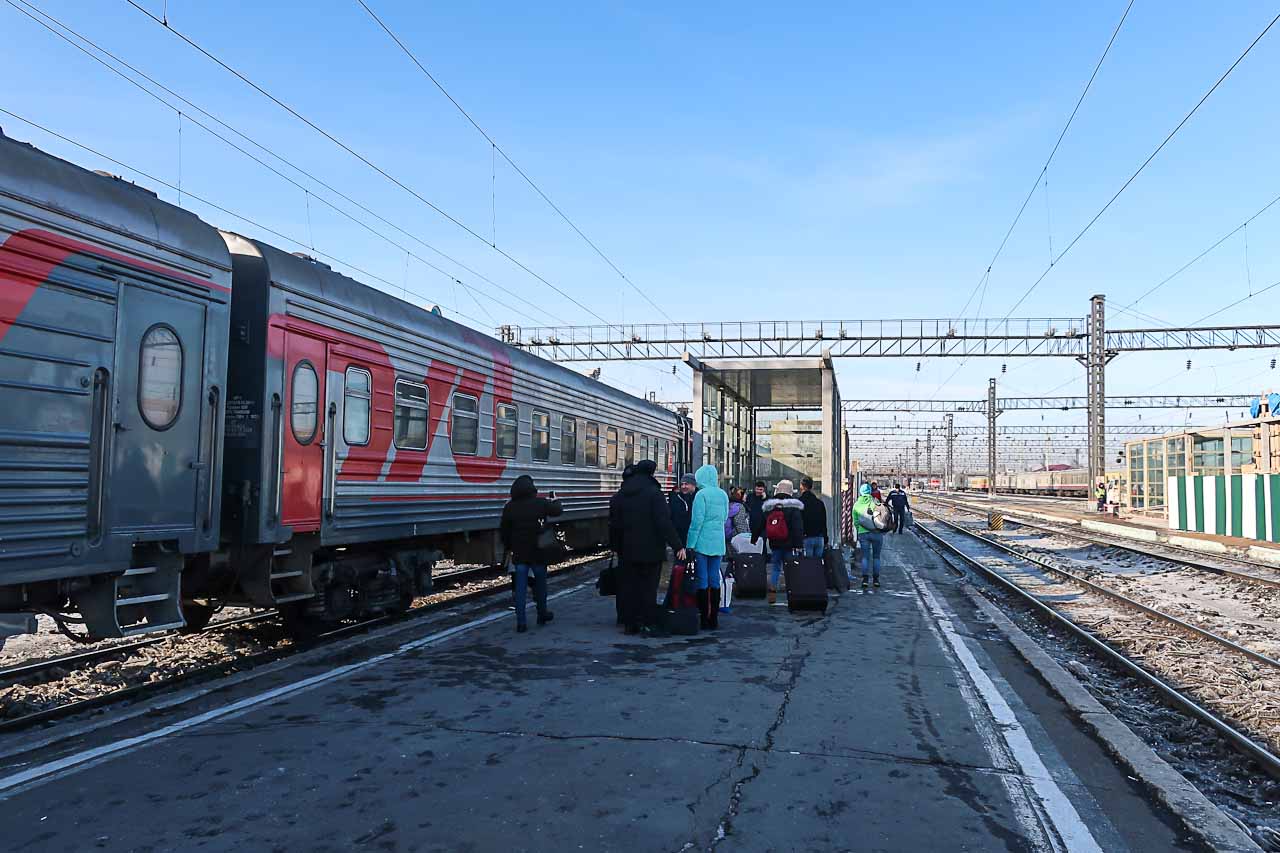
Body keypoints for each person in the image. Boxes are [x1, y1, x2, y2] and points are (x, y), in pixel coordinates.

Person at [610, 460, 686, 635]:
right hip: (651, 550)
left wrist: (615, 546)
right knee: (648, 587)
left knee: (629, 586)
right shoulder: (654, 494)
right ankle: (646, 622)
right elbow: (663, 522)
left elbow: (614, 523)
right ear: (651, 473)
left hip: (627, 549)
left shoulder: (621, 494)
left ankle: (630, 623)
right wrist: (677, 545)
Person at [500, 475, 562, 632]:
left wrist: (509, 547)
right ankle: (542, 614)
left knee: (520, 590)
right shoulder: (541, 503)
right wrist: (556, 500)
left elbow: (504, 532)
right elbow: (557, 511)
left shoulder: (510, 507)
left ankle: (521, 623)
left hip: (520, 556)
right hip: (538, 554)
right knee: (541, 586)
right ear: (532, 489)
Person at [686, 464, 729, 629]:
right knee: (715, 579)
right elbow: (724, 518)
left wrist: (690, 544)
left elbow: (696, 522)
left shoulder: (701, 495)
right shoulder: (723, 494)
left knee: (702, 579)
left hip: (702, 542)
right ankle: (714, 619)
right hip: (718, 541)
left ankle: (704, 618)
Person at [762, 480, 805, 604]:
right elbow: (797, 527)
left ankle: (772, 593)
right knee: (790, 569)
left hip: (775, 543)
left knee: (775, 568)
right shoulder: (793, 506)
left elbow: (764, 522)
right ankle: (791, 594)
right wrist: (799, 544)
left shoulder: (770, 505)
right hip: (789, 544)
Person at [852, 483, 884, 588]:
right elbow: (882, 517)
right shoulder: (876, 502)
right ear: (870, 491)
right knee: (876, 557)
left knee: (865, 557)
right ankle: (876, 580)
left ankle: (865, 580)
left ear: (861, 492)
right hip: (876, 533)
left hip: (863, 533)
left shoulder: (857, 505)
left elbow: (855, 521)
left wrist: (860, 530)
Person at [797, 477, 827, 557]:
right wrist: (825, 537)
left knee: (808, 565)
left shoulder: (799, 503)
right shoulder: (819, 503)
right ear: (811, 486)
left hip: (806, 537)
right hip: (819, 537)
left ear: (801, 486)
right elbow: (823, 521)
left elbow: (798, 522)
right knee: (818, 565)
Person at [670, 474, 696, 544]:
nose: (683, 486)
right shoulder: (677, 497)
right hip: (681, 538)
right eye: (682, 484)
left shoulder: (698, 497)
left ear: (693, 485)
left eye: (686, 484)